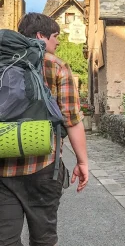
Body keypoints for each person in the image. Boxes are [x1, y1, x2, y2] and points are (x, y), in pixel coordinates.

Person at [0, 13, 89, 246]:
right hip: (43, 167)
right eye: (56, 36)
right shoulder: (56, 65)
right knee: (44, 239)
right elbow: (72, 120)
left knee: (5, 239)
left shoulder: (1, 63)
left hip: (3, 167)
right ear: (40, 36)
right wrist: (83, 162)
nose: (58, 42)